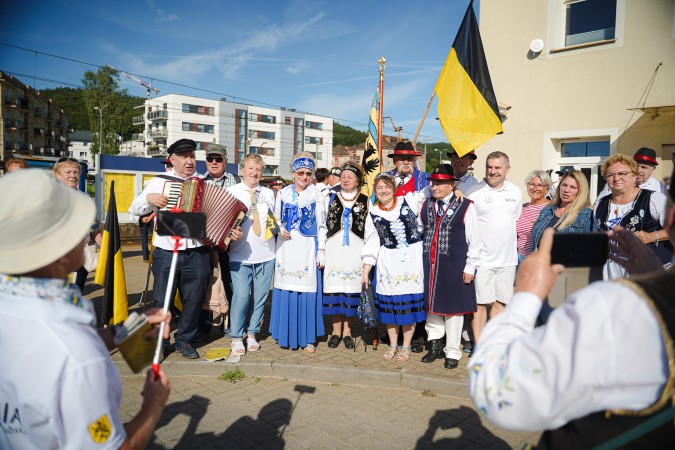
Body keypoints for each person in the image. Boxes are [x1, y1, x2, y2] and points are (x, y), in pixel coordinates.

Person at [467, 170, 675, 449]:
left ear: (669, 218)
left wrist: (525, 297)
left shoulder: (616, 307)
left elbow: (496, 393)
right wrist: (653, 278)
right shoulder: (650, 298)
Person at [0, 169, 172, 449]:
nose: (90, 233)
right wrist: (153, 405)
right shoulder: (77, 357)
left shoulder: (14, 300)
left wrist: (128, 328)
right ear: (60, 246)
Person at [129, 139, 212, 359]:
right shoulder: (159, 182)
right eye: (184, 157)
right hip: (166, 251)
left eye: (192, 156)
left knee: (194, 299)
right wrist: (148, 198)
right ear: (172, 160)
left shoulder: (204, 183)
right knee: (161, 299)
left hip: (197, 250)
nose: (189, 161)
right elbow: (133, 209)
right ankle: (161, 342)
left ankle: (184, 339)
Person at [418, 164, 480, 369]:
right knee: (432, 309)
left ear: (451, 185)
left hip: (455, 264)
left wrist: (470, 267)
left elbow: (475, 240)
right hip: (431, 265)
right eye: (433, 183)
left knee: (453, 310)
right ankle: (434, 346)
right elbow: (421, 229)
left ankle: (452, 351)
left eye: (439, 183)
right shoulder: (425, 204)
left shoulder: (466, 205)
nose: (434, 186)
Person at [361, 173, 426, 362]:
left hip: (411, 262)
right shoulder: (373, 212)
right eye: (379, 188)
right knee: (391, 310)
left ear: (394, 188)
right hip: (388, 263)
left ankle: (405, 347)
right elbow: (371, 244)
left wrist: (456, 190)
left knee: (408, 308)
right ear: (375, 191)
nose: (383, 191)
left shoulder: (408, 201)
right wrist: (366, 272)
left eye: (387, 187)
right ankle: (392, 344)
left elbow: (431, 191)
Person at [269, 153, 326, 352]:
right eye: (301, 173)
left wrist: (321, 251)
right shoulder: (283, 193)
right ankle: (285, 335)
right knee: (287, 288)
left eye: (308, 174)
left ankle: (308, 337)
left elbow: (322, 226)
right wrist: (278, 229)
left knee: (307, 290)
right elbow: (274, 219)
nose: (304, 177)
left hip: (307, 247)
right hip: (286, 247)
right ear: (293, 173)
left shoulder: (316, 195)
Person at [467, 151, 522, 343]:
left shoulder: (515, 192)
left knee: (500, 304)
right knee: (480, 305)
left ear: (508, 169)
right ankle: (478, 344)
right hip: (482, 260)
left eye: (498, 167)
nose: (493, 171)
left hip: (507, 260)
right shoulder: (474, 191)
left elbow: (513, 221)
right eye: (489, 167)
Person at [226, 154, 276, 356]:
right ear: (242, 170)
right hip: (240, 256)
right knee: (240, 298)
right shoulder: (232, 192)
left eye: (258, 169)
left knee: (259, 298)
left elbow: (274, 220)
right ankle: (237, 336)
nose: (254, 173)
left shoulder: (269, 193)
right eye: (250, 168)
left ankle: (252, 333)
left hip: (266, 254)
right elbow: (223, 223)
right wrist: (230, 232)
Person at [594, 154, 671, 279]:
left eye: (622, 174)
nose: (616, 178)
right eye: (610, 175)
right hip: (609, 271)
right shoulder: (600, 203)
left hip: (645, 268)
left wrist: (651, 236)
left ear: (634, 175)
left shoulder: (654, 198)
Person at [321, 162, 370, 349]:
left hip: (355, 253)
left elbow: (371, 232)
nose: (346, 178)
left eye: (350, 176)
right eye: (343, 175)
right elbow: (322, 227)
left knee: (350, 291)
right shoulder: (329, 198)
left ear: (358, 180)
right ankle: (335, 331)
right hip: (334, 253)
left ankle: (348, 332)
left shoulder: (366, 201)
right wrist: (322, 252)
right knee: (335, 290)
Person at [53, 157, 101, 292]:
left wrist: (105, 244)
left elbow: (92, 227)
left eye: (76, 172)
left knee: (75, 294)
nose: (73, 176)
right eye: (68, 172)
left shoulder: (85, 198)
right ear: (57, 175)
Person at [531, 169, 593, 251]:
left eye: (573, 187)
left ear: (580, 191)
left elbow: (589, 249)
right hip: (541, 262)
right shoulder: (547, 210)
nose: (566, 190)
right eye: (564, 185)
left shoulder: (587, 215)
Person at [595, 147, 667, 204]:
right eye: (636, 166)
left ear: (653, 169)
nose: (638, 170)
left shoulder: (660, 187)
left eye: (643, 167)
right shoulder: (617, 183)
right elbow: (599, 204)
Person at [516, 170, 552, 262]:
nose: (535, 188)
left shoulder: (552, 210)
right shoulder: (521, 209)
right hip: (519, 259)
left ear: (547, 189)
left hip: (540, 261)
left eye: (540, 185)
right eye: (532, 184)